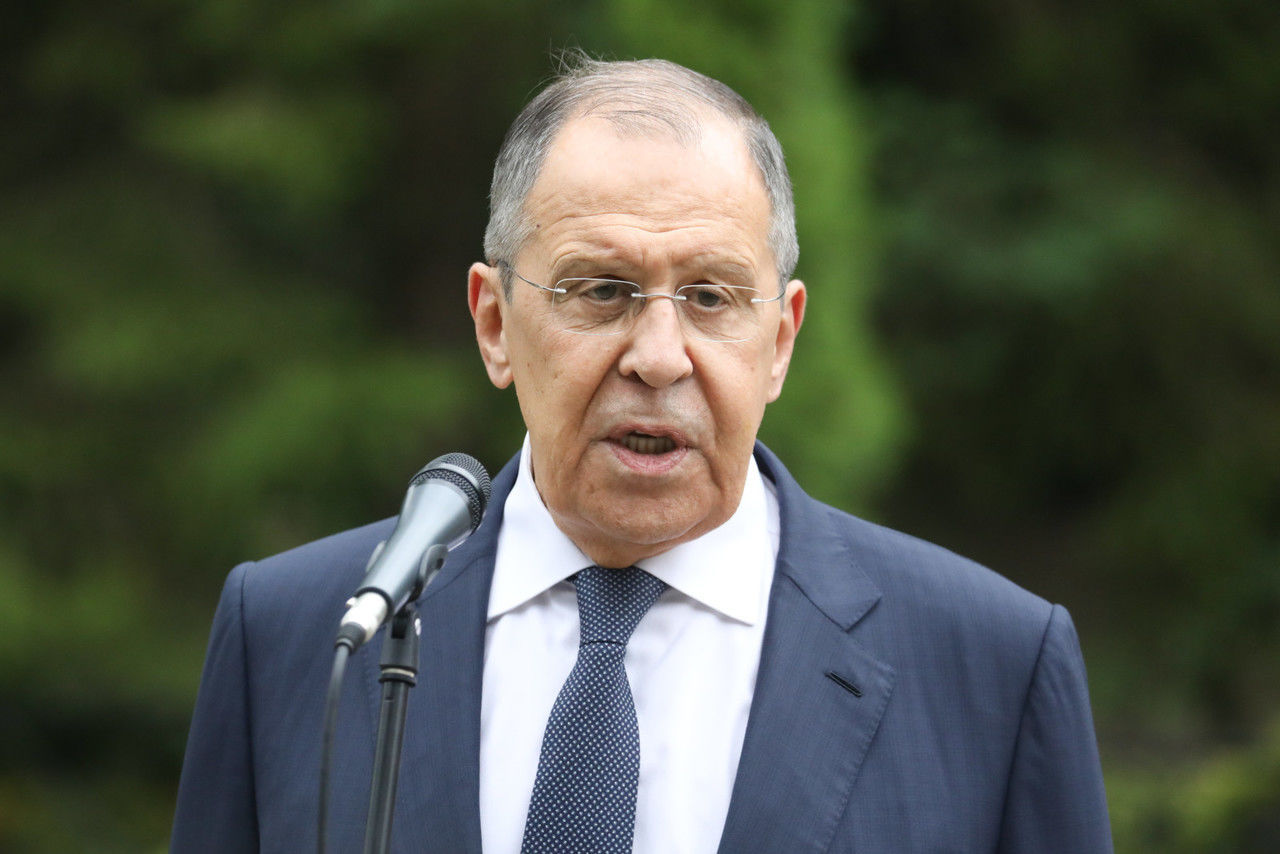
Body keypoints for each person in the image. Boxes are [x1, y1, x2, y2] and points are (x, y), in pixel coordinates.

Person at [171, 56, 1112, 853]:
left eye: (710, 297)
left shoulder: (993, 666)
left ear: (780, 341)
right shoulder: (303, 635)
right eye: (601, 290)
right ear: (494, 324)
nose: (658, 357)